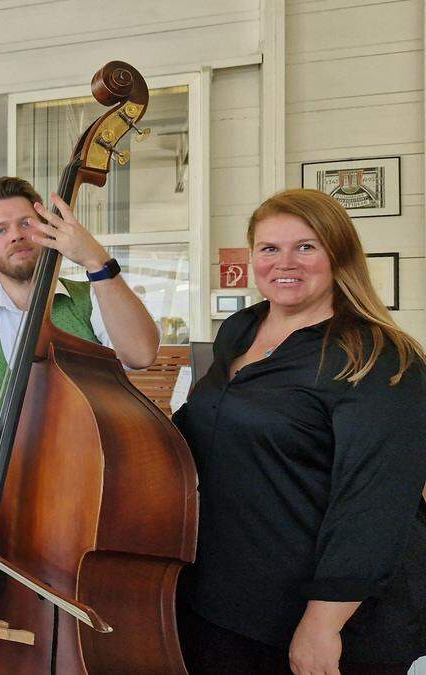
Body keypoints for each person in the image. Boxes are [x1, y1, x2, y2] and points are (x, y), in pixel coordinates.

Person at [172, 189, 426, 674]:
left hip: (325, 614)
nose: (285, 262)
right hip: (220, 596)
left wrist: (323, 622)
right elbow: (201, 427)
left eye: (306, 246)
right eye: (269, 248)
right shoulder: (240, 330)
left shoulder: (379, 357)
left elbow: (375, 503)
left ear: (339, 255)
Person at [0, 176, 159, 555]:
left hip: (97, 499)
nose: (15, 235)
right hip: (5, 503)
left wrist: (96, 260)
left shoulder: (95, 295)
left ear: (48, 231)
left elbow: (141, 354)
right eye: (0, 230)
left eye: (25, 223)